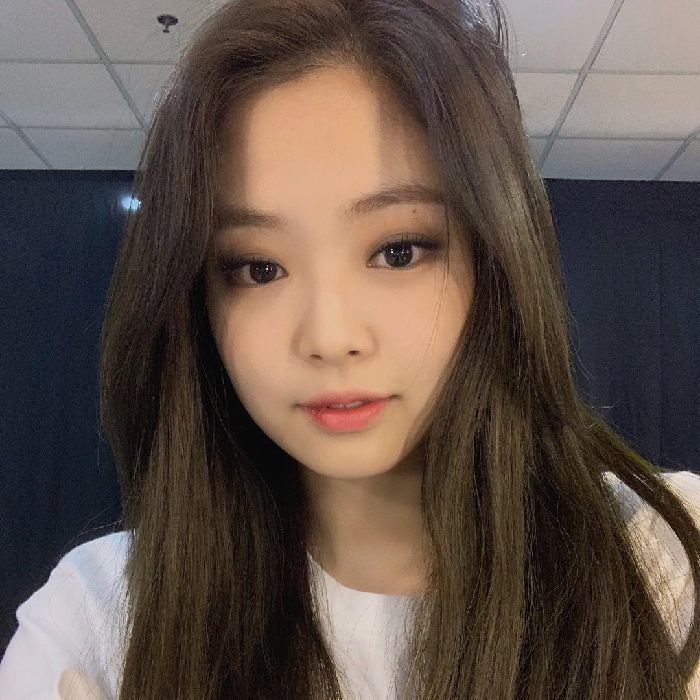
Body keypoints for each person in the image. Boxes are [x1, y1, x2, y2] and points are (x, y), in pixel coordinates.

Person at [2, 0, 700, 698]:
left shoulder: (667, 562)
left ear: (495, 262)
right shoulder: (98, 622)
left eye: (399, 251)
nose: (330, 337)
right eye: (258, 268)